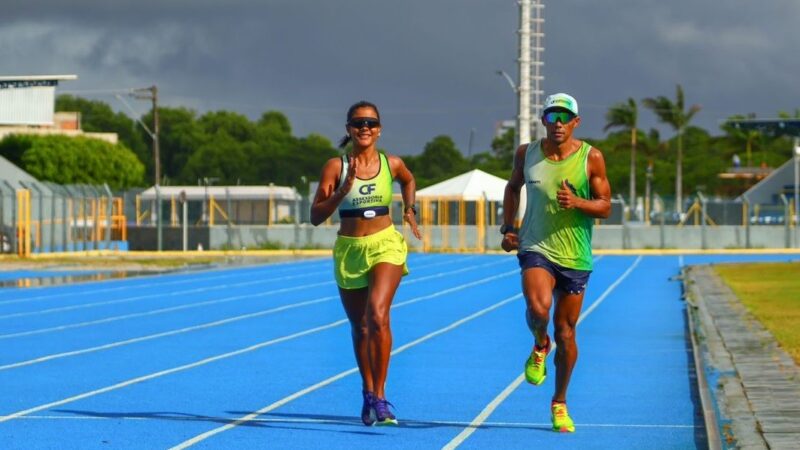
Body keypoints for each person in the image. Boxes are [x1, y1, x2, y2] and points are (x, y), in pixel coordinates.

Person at [500, 93, 611, 433]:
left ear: (576, 122)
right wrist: (508, 228)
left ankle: (559, 401)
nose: (558, 123)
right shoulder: (527, 153)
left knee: (566, 333)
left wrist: (577, 201)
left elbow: (605, 205)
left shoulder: (591, 158)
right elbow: (511, 188)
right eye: (552, 117)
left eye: (565, 117)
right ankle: (538, 343)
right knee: (538, 309)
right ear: (543, 121)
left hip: (575, 255)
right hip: (536, 246)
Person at [310, 100, 422, 427]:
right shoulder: (336, 167)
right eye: (358, 123)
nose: (364, 128)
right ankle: (368, 391)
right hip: (350, 248)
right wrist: (342, 189)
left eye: (371, 123)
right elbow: (316, 216)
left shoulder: (393, 163)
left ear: (379, 129)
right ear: (348, 129)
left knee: (378, 314)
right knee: (360, 326)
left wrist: (410, 209)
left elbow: (409, 180)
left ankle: (382, 396)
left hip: (385, 243)